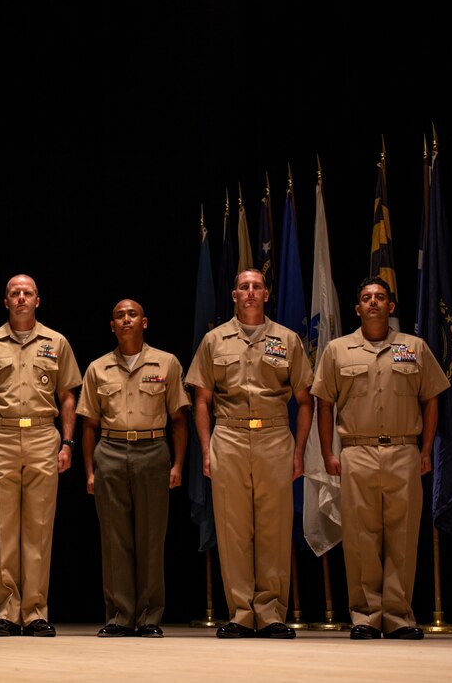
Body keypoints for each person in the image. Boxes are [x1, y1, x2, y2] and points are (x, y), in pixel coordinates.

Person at [312, 276, 449, 641]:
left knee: (403, 537)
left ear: (391, 306)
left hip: (404, 450)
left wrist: (426, 449)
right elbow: (324, 404)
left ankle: (399, 615)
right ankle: (366, 615)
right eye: (366, 298)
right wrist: (328, 452)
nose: (373, 302)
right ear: (357, 308)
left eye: (380, 297)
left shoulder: (414, 347)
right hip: (356, 451)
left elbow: (431, 398)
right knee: (360, 537)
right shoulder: (337, 350)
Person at [185, 269, 314, 640]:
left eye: (257, 287)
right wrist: (207, 450)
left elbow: (306, 401)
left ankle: (271, 612)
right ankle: (241, 612)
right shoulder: (214, 340)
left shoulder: (287, 340)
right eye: (244, 287)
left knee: (274, 528)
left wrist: (300, 450)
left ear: (267, 294)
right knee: (233, 528)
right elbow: (202, 401)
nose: (251, 292)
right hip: (230, 435)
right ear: (234, 295)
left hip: (275, 436)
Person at [0, 273, 81, 637]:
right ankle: (7, 611)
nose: (21, 298)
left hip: (44, 434)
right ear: (5, 301)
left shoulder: (56, 342)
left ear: (37, 300)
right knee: (4, 528)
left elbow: (67, 398)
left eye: (27, 293)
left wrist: (67, 443)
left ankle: (35, 612)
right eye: (14, 293)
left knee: (39, 529)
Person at [76, 299, 189, 638]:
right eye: (119, 316)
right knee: (115, 539)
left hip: (153, 449)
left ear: (145, 322)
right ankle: (120, 616)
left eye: (132, 314)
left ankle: (150, 616)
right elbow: (89, 427)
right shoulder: (98, 368)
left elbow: (179, 420)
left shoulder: (166, 362)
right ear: (112, 325)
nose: (126, 319)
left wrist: (179, 464)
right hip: (109, 450)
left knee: (151, 538)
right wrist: (90, 472)